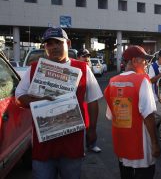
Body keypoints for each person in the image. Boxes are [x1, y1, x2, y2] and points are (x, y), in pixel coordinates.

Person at [15, 27, 103, 179]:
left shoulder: (83, 69)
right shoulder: (35, 69)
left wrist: (92, 130)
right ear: (45, 47)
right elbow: (19, 96)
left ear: (68, 44)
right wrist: (38, 101)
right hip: (43, 145)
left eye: (58, 42)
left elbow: (93, 101)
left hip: (72, 143)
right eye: (49, 44)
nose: (54, 46)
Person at [104, 45, 161, 179]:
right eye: (144, 60)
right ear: (134, 61)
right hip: (141, 149)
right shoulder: (142, 81)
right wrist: (154, 143)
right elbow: (148, 115)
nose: (146, 63)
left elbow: (111, 115)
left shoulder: (112, 82)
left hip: (122, 147)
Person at [77, 48, 102, 153]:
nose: (87, 58)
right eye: (84, 56)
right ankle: (80, 147)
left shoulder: (88, 68)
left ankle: (92, 144)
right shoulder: (75, 69)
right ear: (78, 57)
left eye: (88, 56)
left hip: (87, 102)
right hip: (78, 104)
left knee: (90, 125)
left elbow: (93, 96)